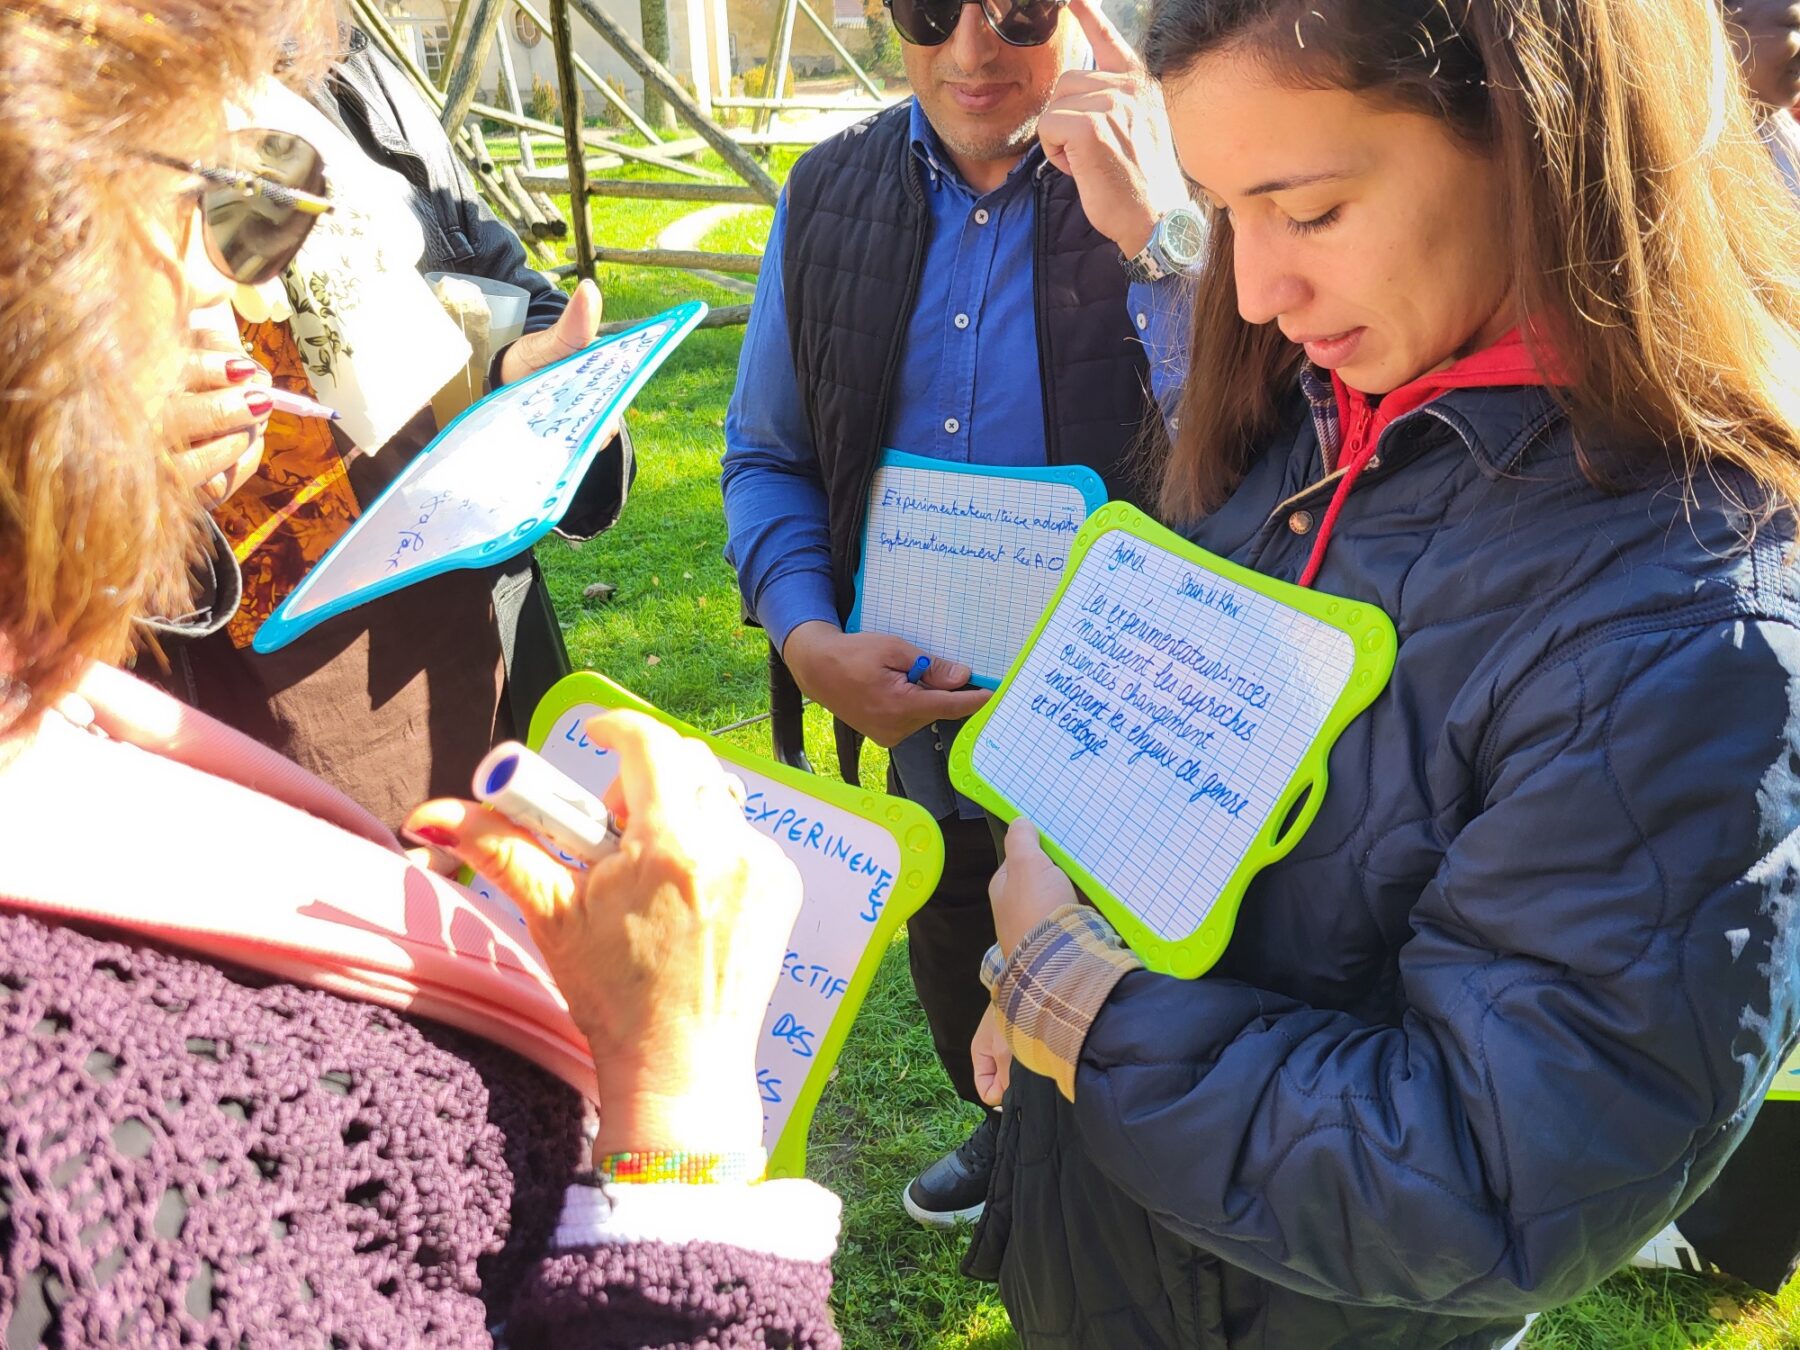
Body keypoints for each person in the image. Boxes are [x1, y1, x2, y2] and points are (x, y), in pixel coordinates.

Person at [962, 1, 1800, 1346]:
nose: (1247, 292)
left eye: (1309, 208)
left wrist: (1085, 1009)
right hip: (1126, 1260)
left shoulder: (1690, 630)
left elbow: (1489, 1177)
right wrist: (1058, 954)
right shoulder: (1318, 425)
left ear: (1537, 140)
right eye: (1226, 210)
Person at [0, 1, 838, 1343]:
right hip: (238, 696)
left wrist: (508, 371)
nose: (223, 280)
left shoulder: (353, 76)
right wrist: (674, 1134)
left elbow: (440, 281)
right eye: (184, 235)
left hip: (422, 639)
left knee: (477, 932)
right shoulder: (116, 1072)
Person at [720, 0, 1193, 1227]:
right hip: (918, 708)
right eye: (934, 9)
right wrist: (807, 639)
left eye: (1022, 10)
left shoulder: (1177, 178)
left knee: (1136, 964)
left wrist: (1167, 236)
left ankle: (1129, 1187)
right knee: (955, 920)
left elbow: (1265, 445)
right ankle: (1008, 1135)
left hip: (1134, 713)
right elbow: (767, 453)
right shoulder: (825, 194)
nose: (975, 48)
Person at [142, 26, 636, 833]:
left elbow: (495, 277)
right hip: (230, 730)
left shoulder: (349, 75)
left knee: (514, 912)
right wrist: (98, 455)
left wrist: (527, 373)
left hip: (469, 655)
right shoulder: (50, 113)